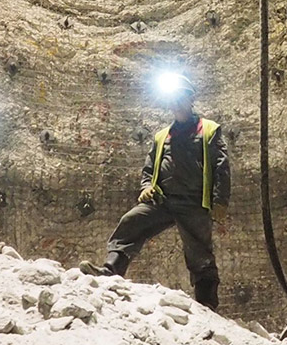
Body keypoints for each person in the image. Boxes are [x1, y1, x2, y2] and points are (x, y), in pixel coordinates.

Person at [80, 72, 229, 309]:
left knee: (200, 254)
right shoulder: (162, 136)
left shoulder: (209, 129)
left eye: (180, 98)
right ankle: (111, 270)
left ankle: (207, 303)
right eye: (172, 99)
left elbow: (221, 166)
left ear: (191, 100)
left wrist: (220, 201)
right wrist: (147, 187)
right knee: (131, 222)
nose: (176, 104)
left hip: (193, 202)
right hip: (163, 199)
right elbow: (149, 168)